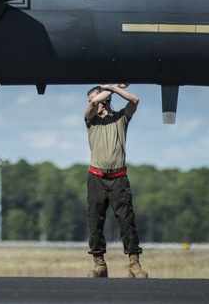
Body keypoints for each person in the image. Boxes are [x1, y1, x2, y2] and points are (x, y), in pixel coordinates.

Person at [84, 83, 148, 278]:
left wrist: (113, 87)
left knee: (127, 221)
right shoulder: (91, 120)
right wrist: (112, 87)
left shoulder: (121, 118)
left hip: (119, 178)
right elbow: (94, 102)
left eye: (99, 99)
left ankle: (134, 264)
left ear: (108, 100)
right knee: (95, 221)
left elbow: (135, 100)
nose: (93, 103)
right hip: (97, 178)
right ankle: (99, 264)